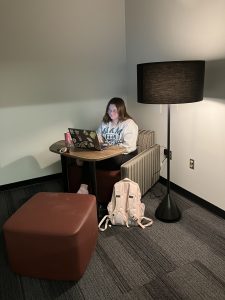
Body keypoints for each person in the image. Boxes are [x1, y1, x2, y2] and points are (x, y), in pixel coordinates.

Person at [77, 97, 138, 194]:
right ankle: (83, 188)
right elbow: (97, 136)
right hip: (107, 153)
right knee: (92, 155)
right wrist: (98, 138)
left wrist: (109, 147)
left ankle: (84, 162)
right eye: (109, 110)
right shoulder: (105, 122)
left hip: (125, 154)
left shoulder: (129, 124)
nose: (111, 113)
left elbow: (129, 146)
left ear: (121, 110)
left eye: (114, 110)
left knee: (112, 159)